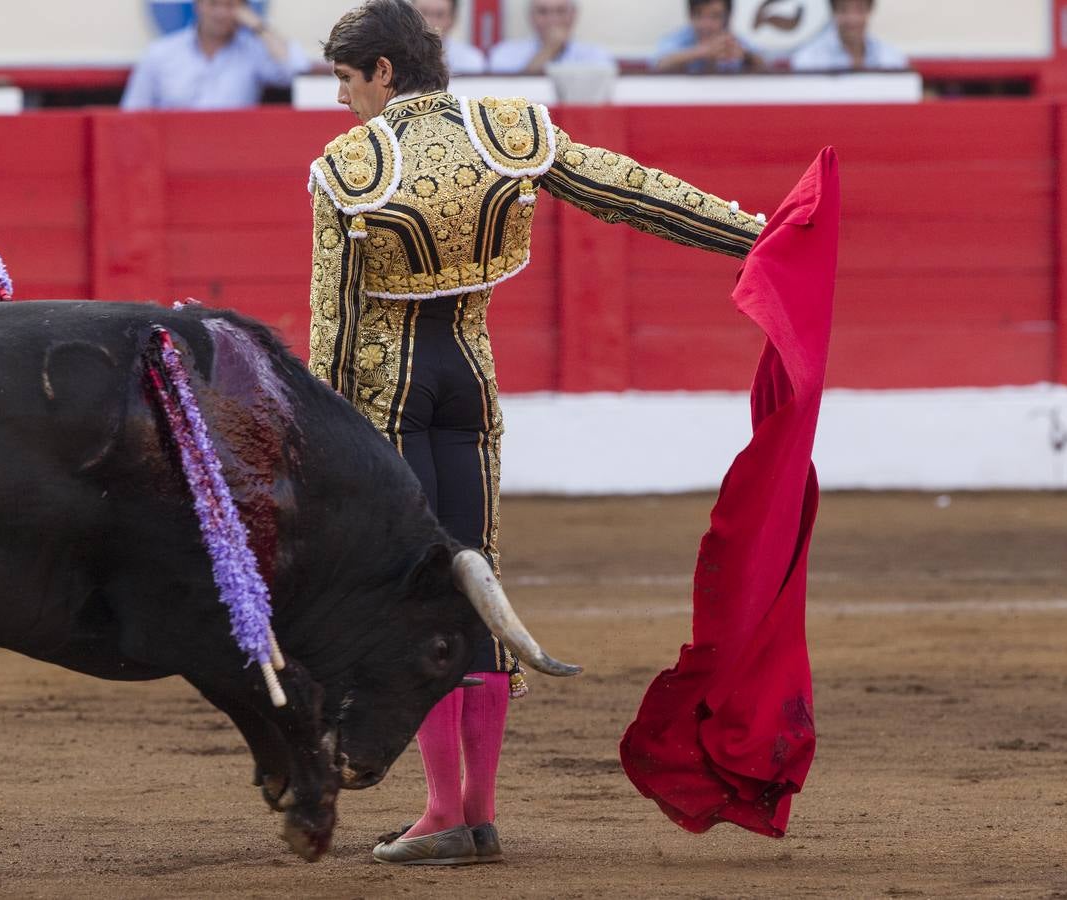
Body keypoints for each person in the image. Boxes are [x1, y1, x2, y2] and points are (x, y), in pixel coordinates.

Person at [310, 0, 763, 866]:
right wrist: (752, 233)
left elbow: (333, 327)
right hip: (471, 386)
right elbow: (626, 190)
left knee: (421, 598)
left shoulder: (347, 167)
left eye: (344, 78)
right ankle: (473, 813)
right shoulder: (507, 130)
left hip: (389, 393)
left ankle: (446, 812)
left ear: (384, 73)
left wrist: (326, 444)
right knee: (479, 584)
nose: (340, 99)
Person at [121, 0, 310, 111]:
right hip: (170, 157)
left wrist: (258, 26)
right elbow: (132, 112)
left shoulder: (253, 51)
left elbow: (295, 68)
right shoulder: (160, 53)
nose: (220, 13)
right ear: (198, 6)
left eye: (230, 5)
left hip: (232, 156)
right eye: (213, 3)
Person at [487, 0, 613, 74]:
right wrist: (549, 49)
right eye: (543, 12)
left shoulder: (596, 55)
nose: (552, 20)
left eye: (560, 11)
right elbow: (511, 96)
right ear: (531, 16)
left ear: (574, 15)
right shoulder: (505, 53)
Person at [651, 0, 764, 74]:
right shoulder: (679, 38)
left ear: (727, 18)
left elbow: (764, 64)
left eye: (715, 16)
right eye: (699, 15)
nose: (706, 24)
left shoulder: (734, 40)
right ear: (690, 16)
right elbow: (659, 64)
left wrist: (745, 56)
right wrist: (703, 52)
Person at [790, 0, 907, 71]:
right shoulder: (809, 59)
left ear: (869, 10)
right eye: (843, 9)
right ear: (834, 12)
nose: (852, 18)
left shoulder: (892, 58)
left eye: (859, 9)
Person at [414, 0, 486, 75]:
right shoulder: (401, 57)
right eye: (423, 12)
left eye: (439, 15)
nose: (429, 22)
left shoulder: (471, 61)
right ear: (411, 14)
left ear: (452, 19)